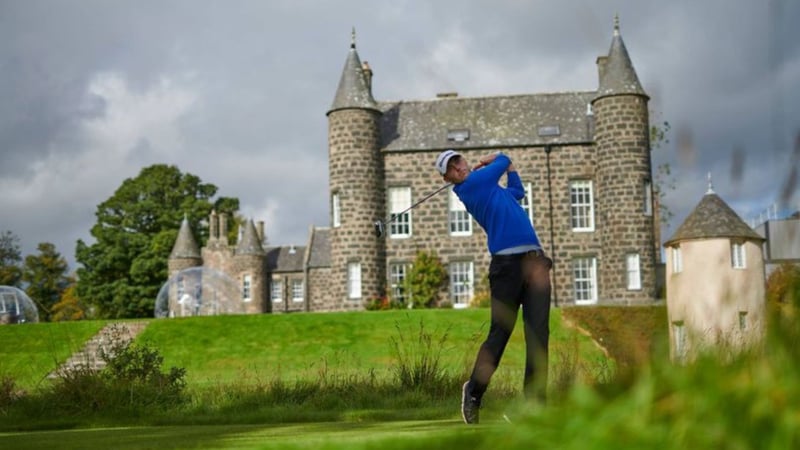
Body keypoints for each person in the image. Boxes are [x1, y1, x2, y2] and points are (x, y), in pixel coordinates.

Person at [434, 149, 553, 424]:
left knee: (539, 334)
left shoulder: (490, 189)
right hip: (507, 267)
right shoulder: (472, 187)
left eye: (459, 161)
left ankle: (535, 404)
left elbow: (517, 192)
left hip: (535, 262)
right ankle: (474, 392)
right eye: (452, 168)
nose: (460, 168)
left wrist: (511, 169)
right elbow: (501, 161)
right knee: (501, 333)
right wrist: (500, 158)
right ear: (447, 178)